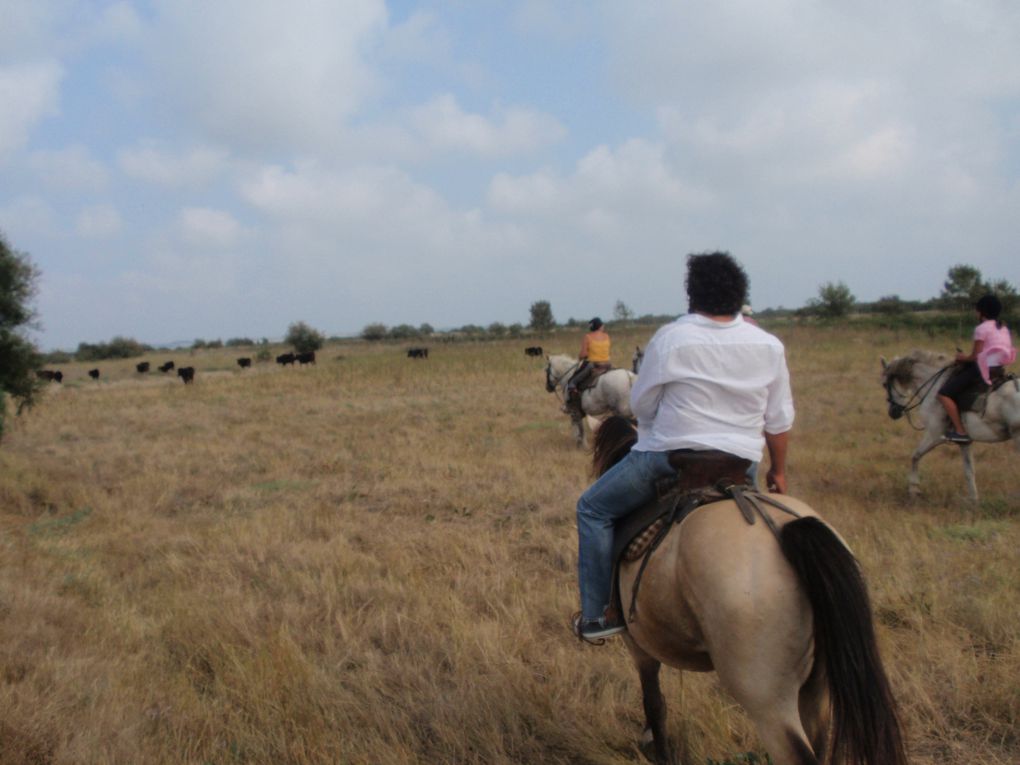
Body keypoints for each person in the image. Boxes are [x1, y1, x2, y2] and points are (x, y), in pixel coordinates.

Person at [572, 252, 795, 641]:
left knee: (591, 509)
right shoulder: (768, 345)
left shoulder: (673, 337)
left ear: (692, 296)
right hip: (740, 465)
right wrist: (778, 470)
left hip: (668, 459)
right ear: (739, 294)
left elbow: (640, 404)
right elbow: (778, 421)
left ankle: (597, 616)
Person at [938, 294, 1016, 445]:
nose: (975, 313)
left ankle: (960, 431)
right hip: (999, 370)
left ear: (982, 312)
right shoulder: (1003, 328)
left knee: (944, 394)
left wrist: (961, 357)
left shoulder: (981, 329)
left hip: (982, 371)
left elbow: (975, 356)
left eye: (976, 310)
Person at [564, 317, 611, 416]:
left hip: (593, 365)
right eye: (602, 325)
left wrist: (581, 356)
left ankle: (574, 408)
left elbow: (583, 354)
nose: (604, 326)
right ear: (600, 326)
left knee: (572, 382)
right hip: (607, 364)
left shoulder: (588, 337)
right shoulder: (606, 336)